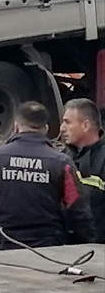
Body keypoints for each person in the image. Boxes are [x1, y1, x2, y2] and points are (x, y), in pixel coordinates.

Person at [0, 101, 94, 252]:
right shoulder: (62, 163)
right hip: (47, 252)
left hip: (2, 249)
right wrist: (87, 245)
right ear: (46, 129)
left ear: (15, 127)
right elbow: (78, 210)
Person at [61, 98, 105, 243]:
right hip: (65, 247)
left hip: (98, 249)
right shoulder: (63, 157)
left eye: (67, 122)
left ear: (85, 125)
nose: (62, 128)